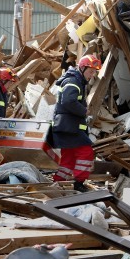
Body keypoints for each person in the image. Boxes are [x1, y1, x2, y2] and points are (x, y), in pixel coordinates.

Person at [51, 54, 102, 192]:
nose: (92, 75)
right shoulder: (74, 81)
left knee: (69, 157)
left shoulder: (74, 80)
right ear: (82, 68)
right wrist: (83, 111)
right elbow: (68, 101)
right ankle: (79, 183)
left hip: (65, 126)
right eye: (90, 71)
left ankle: (58, 182)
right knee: (86, 152)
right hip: (69, 127)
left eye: (94, 72)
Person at [0, 67, 19, 133]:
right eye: (10, 81)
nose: (11, 84)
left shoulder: (2, 93)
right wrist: (4, 126)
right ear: (3, 80)